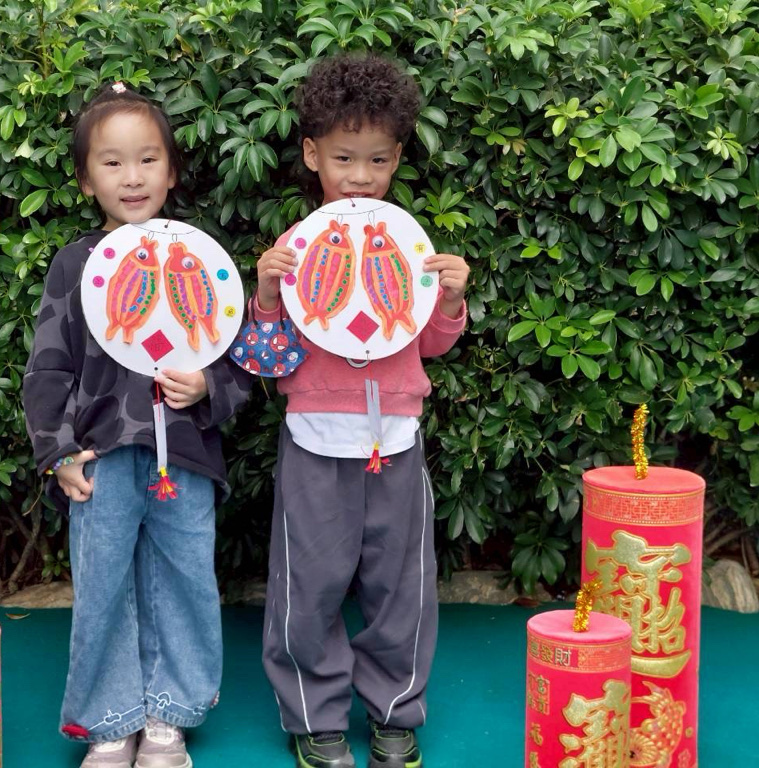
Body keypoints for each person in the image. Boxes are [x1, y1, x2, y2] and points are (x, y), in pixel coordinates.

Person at [23, 82, 251, 768]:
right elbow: (48, 368)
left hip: (186, 456)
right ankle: (110, 720)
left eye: (148, 159)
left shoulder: (202, 258)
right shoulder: (75, 264)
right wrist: (59, 452)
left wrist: (208, 385)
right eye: (112, 162)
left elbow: (240, 362)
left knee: (186, 580)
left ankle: (168, 717)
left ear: (171, 171)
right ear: (85, 177)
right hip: (101, 458)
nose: (132, 177)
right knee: (102, 586)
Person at [254, 54, 471, 768]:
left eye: (377, 159)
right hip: (314, 443)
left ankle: (395, 712)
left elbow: (431, 342)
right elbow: (267, 359)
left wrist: (447, 298)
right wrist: (267, 295)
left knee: (401, 589)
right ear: (312, 154)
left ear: (398, 159)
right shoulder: (294, 250)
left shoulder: (409, 245)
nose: (359, 175)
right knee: (307, 586)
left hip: (396, 442)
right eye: (344, 157)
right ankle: (314, 717)